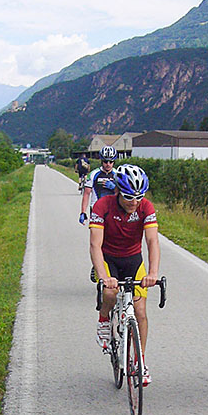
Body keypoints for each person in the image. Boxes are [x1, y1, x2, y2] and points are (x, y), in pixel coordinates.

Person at [89, 164, 160, 386]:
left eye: (139, 197)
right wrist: (103, 277)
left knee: (140, 311)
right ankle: (103, 318)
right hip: (109, 258)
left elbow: (152, 241)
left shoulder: (145, 207)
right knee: (110, 293)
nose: (134, 202)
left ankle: (140, 362)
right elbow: (95, 245)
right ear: (118, 191)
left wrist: (153, 272)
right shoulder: (103, 206)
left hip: (133, 260)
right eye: (129, 196)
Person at [79, 145, 117, 224]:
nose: (108, 164)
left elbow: (124, 193)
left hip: (113, 210)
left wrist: (115, 187)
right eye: (105, 161)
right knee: (96, 235)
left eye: (111, 162)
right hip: (96, 210)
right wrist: (83, 212)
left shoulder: (118, 174)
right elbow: (86, 194)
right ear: (101, 161)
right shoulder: (93, 174)